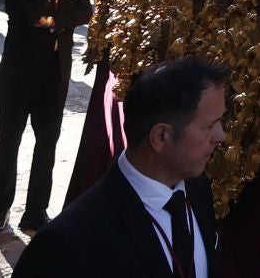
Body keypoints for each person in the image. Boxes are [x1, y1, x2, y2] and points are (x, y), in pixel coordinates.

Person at [13, 57, 228, 278]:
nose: (221, 136)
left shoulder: (197, 190)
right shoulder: (65, 245)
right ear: (161, 136)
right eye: (209, 126)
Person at [0, 0, 93, 234]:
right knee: (10, 143)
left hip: (54, 77)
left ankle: (36, 212)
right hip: (18, 76)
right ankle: (0, 210)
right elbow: (31, 17)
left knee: (47, 145)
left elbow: (84, 12)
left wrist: (54, 21)